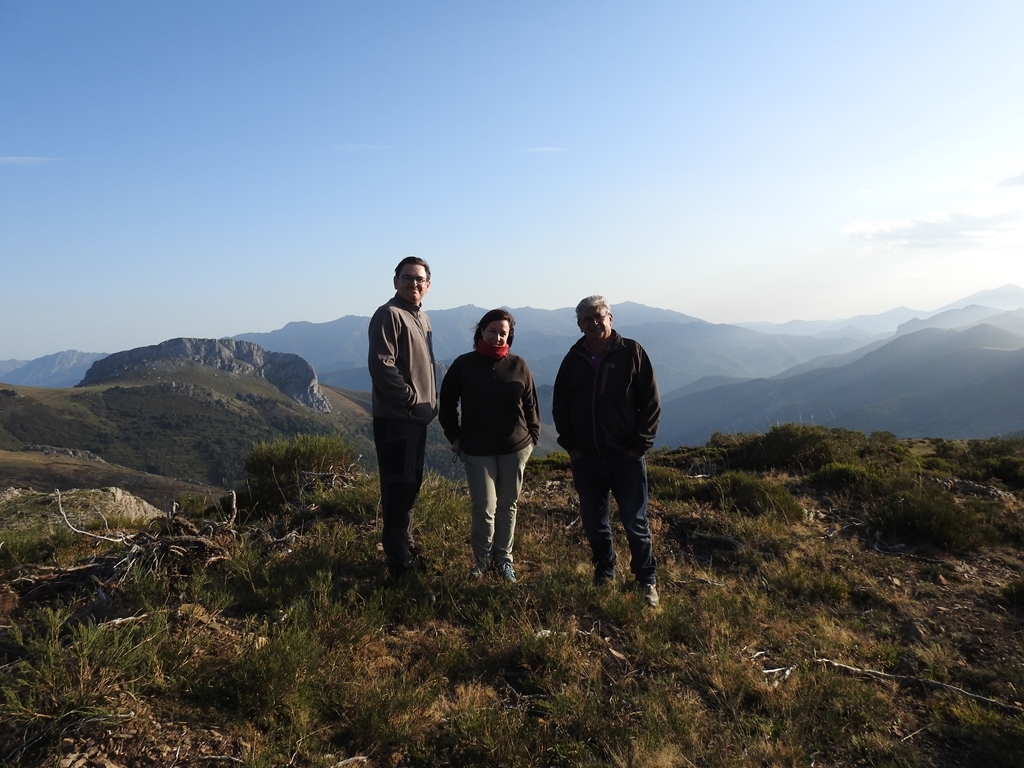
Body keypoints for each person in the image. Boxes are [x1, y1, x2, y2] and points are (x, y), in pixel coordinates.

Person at [551, 295, 662, 607]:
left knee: (634, 521)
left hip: (626, 457)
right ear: (579, 325)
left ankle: (646, 580)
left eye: (598, 316)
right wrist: (572, 447)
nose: (594, 323)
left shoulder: (632, 352)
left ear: (610, 318)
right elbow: (561, 404)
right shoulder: (573, 358)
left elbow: (650, 402)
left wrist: (639, 446)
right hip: (587, 458)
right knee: (594, 521)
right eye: (587, 319)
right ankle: (605, 573)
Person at [439, 309, 540, 583]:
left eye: (503, 333)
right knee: (484, 506)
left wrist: (532, 439)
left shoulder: (518, 365)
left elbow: (531, 404)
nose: (497, 337)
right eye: (492, 331)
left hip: (515, 448)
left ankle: (504, 559)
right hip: (476, 450)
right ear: (481, 332)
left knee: (508, 505)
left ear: (509, 336)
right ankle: (482, 560)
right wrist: (455, 437)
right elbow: (446, 404)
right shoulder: (464, 365)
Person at [367, 257, 437, 580]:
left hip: (415, 419)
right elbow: (382, 366)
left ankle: (405, 550)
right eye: (407, 278)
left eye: (419, 279)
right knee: (397, 490)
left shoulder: (421, 317)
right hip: (397, 420)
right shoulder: (390, 314)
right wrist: (411, 400)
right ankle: (399, 567)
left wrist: (429, 403)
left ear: (428, 285)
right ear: (395, 281)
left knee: (410, 487)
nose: (414, 283)